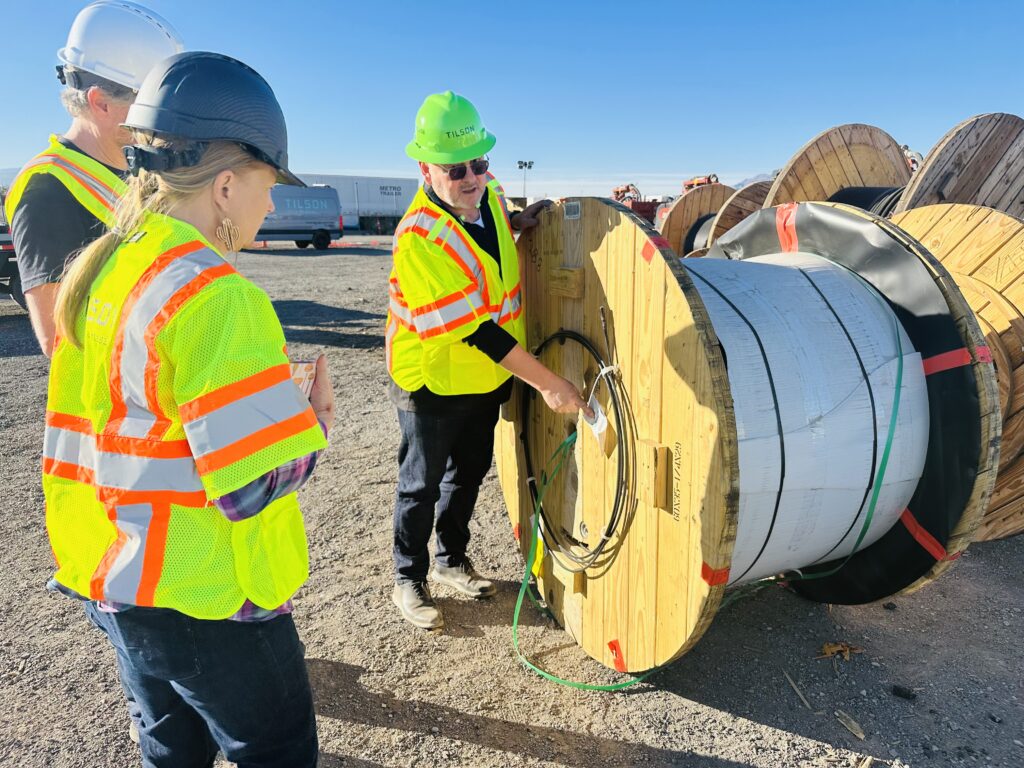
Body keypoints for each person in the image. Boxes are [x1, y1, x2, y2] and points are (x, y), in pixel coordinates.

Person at [44, 51, 332, 767]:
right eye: (269, 187)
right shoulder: (219, 295)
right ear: (227, 184)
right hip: (212, 603)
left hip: (121, 584)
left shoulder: (109, 266)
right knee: (278, 752)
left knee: (171, 752)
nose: (272, 207)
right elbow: (246, 486)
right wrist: (310, 424)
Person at [387, 91, 592, 630]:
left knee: (469, 473)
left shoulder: (491, 193)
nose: (472, 177)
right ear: (424, 167)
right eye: (456, 169)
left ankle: (453, 559)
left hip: (484, 378)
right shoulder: (420, 238)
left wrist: (521, 222)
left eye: (480, 163)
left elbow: (497, 227)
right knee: (421, 484)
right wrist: (549, 383)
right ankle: (409, 575)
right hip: (431, 381)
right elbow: (477, 330)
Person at [3, 0, 183, 357]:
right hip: (117, 410)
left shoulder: (140, 173)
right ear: (100, 102)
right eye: (149, 103)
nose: (161, 119)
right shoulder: (46, 189)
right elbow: (62, 343)